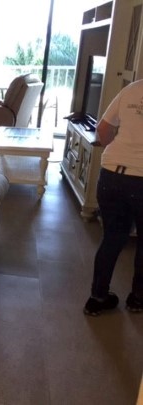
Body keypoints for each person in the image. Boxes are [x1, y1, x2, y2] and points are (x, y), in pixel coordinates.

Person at [84, 79, 143, 316]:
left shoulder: (131, 89)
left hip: (111, 175)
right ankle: (137, 299)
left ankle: (97, 297)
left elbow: (103, 130)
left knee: (112, 238)